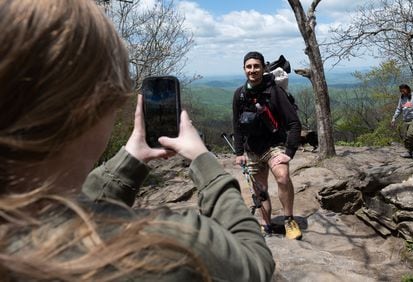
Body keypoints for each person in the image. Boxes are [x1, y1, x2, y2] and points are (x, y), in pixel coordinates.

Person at [0, 1, 274, 281]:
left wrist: (130, 159)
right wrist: (206, 163)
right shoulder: (169, 249)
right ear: (92, 106)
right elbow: (255, 262)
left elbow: (76, 209)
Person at [232, 51, 302, 240]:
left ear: (263, 68)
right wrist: (239, 152)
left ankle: (289, 220)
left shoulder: (274, 92)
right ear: (244, 69)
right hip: (252, 148)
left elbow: (294, 123)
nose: (252, 70)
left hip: (274, 145)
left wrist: (289, 152)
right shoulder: (239, 94)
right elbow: (237, 126)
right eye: (249, 66)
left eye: (256, 66)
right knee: (260, 191)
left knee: (282, 177)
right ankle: (266, 225)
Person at [391, 84, 413, 158]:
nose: (402, 92)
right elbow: (399, 109)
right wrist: (394, 118)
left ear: (407, 89)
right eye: (401, 91)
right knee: (406, 137)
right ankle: (409, 152)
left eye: (403, 90)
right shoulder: (402, 98)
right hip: (406, 120)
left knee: (411, 134)